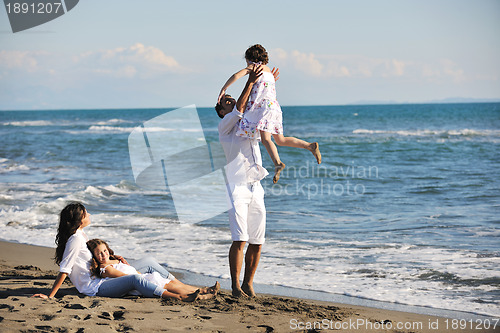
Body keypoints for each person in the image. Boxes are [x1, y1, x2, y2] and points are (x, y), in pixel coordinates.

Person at [32, 202, 212, 302]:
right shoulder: (75, 239)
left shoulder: (81, 234)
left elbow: (93, 257)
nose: (89, 215)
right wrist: (50, 296)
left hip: (102, 274)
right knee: (135, 279)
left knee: (148, 262)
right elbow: (65, 269)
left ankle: (186, 287)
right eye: (86, 213)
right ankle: (178, 296)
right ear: (80, 219)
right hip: (95, 287)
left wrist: (112, 258)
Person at [217, 44, 322, 183]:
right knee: (281, 140)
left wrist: (224, 88)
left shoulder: (254, 67)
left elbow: (236, 75)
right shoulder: (269, 73)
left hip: (264, 108)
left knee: (266, 139)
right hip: (275, 108)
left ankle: (278, 163)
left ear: (250, 59)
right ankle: (309, 146)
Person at [215, 64, 268, 297]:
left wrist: (265, 80)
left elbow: (259, 104)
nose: (230, 100)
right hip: (236, 188)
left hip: (256, 186)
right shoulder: (225, 125)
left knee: (257, 240)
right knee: (240, 239)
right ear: (222, 112)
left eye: (230, 98)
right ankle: (235, 286)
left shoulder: (247, 121)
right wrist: (249, 80)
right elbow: (240, 106)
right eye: (226, 101)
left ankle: (248, 283)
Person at [87, 238, 219, 301]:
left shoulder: (113, 259)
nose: (103, 255)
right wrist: (142, 275)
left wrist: (117, 258)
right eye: (99, 253)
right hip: (138, 281)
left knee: (172, 283)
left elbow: (126, 268)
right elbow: (125, 276)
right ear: (94, 257)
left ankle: (201, 290)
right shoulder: (106, 269)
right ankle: (197, 295)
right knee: (170, 286)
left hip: (140, 277)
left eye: (105, 251)